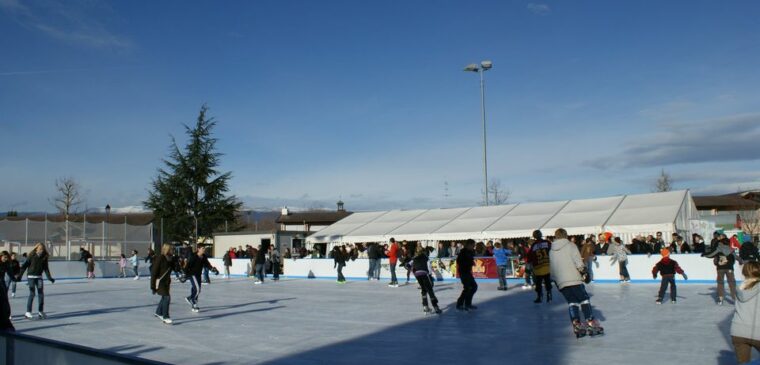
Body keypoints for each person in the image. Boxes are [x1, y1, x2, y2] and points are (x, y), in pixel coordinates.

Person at [549, 228, 603, 338]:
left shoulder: (551, 250)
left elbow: (552, 269)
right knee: (584, 299)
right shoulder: (571, 246)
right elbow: (578, 262)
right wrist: (584, 272)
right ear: (566, 235)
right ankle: (590, 322)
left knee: (572, 302)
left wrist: (556, 281)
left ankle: (577, 324)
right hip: (574, 279)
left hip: (561, 281)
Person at [731, 261, 760, 364]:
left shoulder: (740, 287)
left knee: (743, 363)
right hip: (758, 332)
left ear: (744, 272)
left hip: (738, 331)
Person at [16, 243, 55, 320]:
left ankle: (40, 311)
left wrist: (50, 278)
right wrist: (19, 276)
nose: (41, 250)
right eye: (40, 248)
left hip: (39, 277)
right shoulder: (31, 256)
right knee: (32, 293)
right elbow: (24, 266)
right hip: (31, 277)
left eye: (43, 249)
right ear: (36, 248)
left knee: (41, 294)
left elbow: (46, 268)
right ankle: (28, 312)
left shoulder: (44, 257)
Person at [184, 245, 219, 313]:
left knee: (196, 289)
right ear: (198, 249)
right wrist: (185, 274)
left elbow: (207, 264)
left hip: (198, 275)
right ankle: (193, 301)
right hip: (192, 274)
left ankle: (191, 299)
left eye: (204, 248)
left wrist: (212, 269)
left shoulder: (204, 256)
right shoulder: (193, 256)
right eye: (203, 248)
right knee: (197, 289)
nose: (204, 250)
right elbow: (188, 265)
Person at [704, 238, 738, 305]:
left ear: (722, 243)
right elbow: (736, 257)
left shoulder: (718, 249)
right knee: (732, 283)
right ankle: (734, 299)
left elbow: (711, 255)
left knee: (720, 283)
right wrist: (741, 261)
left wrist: (705, 254)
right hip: (729, 268)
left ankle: (720, 298)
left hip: (720, 269)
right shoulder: (731, 250)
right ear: (728, 243)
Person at [151, 243, 177, 324]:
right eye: (172, 249)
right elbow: (154, 272)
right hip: (160, 281)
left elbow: (176, 269)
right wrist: (152, 286)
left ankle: (158, 312)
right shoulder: (160, 258)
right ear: (168, 249)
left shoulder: (171, 258)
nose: (173, 250)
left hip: (167, 282)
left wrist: (177, 262)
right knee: (167, 297)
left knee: (164, 297)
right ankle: (165, 316)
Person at [412, 246, 442, 314]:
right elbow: (429, 267)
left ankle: (425, 306)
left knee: (423, 290)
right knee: (430, 290)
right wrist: (429, 274)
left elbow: (409, 266)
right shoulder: (425, 257)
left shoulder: (414, 258)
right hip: (424, 274)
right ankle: (436, 307)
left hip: (417, 275)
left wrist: (415, 273)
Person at [529, 230, 552, 303]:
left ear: (534, 237)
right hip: (547, 266)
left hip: (538, 268)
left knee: (538, 283)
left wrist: (529, 264)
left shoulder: (534, 245)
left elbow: (530, 256)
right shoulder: (547, 243)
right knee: (547, 282)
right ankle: (549, 296)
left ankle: (539, 297)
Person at [456, 239, 478, 311]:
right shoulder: (463, 252)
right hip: (463, 272)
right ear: (469, 245)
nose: (474, 247)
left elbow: (470, 259)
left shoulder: (470, 252)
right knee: (467, 288)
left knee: (474, 286)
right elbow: (459, 261)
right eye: (473, 245)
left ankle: (468, 304)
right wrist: (469, 263)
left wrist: (471, 262)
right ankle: (460, 304)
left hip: (468, 272)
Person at [0, 251, 14, 331]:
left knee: (4, 300)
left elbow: (10, 273)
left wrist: (15, 279)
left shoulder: (6, 264)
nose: (6, 259)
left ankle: (6, 316)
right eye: (4, 257)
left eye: (7, 257)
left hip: (2, 283)